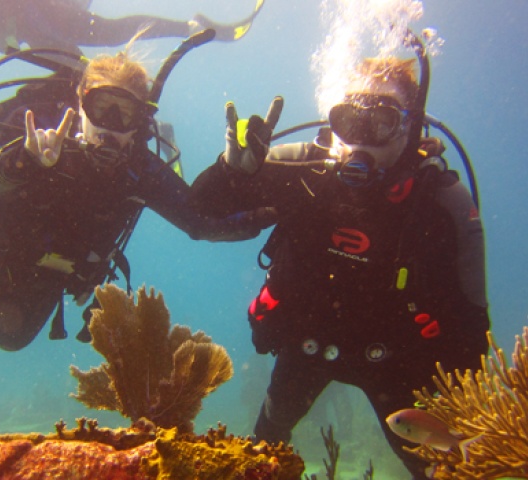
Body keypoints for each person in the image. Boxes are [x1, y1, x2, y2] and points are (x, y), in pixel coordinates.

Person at [188, 55, 489, 478]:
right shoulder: (306, 167)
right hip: (306, 343)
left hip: (398, 364)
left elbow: (474, 324)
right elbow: (200, 217)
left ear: (410, 126)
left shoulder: (442, 200)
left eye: (381, 122)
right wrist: (229, 175)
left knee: (444, 470)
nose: (361, 140)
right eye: (351, 121)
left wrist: (465, 413)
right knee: (261, 453)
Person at [0, 44, 275, 352]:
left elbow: (200, 221)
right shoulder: (38, 128)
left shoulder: (138, 168)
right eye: (101, 108)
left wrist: (242, 186)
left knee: (10, 338)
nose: (110, 127)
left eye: (125, 116)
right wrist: (21, 160)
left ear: (140, 122)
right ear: (80, 101)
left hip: (46, 273)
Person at [0, 0, 264, 62]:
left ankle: (193, 27)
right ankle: (192, 27)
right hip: (42, 35)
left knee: (110, 35)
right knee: (106, 38)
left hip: (47, 24)